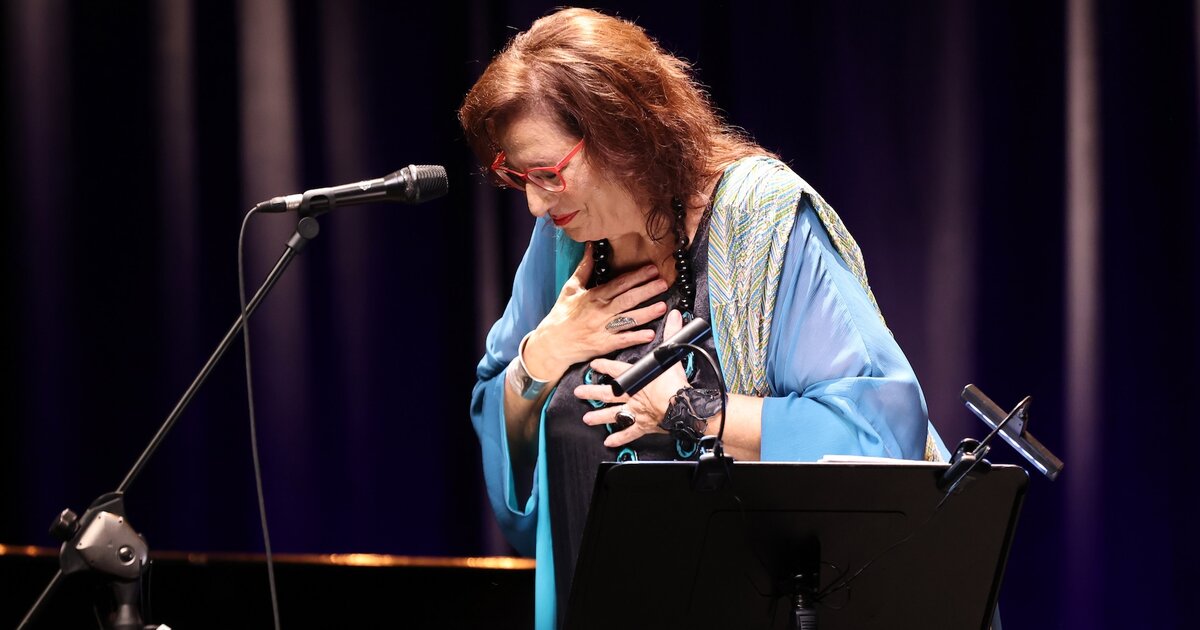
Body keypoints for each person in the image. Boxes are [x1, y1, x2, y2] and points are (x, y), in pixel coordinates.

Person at [461, 8, 947, 628]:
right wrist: (539, 359)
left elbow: (879, 437)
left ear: (623, 133)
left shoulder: (759, 221)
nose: (534, 201)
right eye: (516, 175)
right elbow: (503, 429)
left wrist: (692, 409)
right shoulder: (566, 238)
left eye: (548, 174)